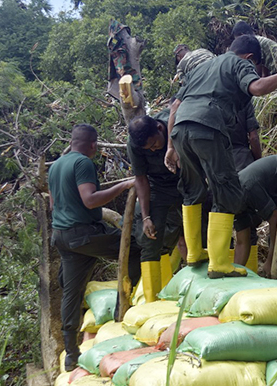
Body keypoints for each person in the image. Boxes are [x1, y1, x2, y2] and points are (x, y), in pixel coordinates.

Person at [164, 34, 277, 278]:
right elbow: (257, 88)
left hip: (180, 131)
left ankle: (195, 253)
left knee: (192, 190)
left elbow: (174, 108)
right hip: (208, 127)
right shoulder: (238, 63)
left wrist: (170, 146)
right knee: (226, 191)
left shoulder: (203, 67)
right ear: (250, 57)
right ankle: (219, 263)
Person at [48, 124, 140, 371]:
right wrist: (124, 185)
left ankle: (71, 354)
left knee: (72, 292)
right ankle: (127, 309)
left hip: (63, 237)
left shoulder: (56, 165)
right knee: (136, 250)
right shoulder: (83, 164)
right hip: (83, 235)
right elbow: (89, 200)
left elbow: (54, 205)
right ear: (93, 145)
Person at [127, 111, 186, 302]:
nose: (153, 150)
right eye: (148, 149)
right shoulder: (135, 145)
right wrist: (146, 217)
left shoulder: (178, 126)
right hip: (158, 188)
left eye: (155, 145)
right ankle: (151, 301)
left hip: (186, 182)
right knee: (150, 239)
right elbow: (141, 179)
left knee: (201, 231)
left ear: (160, 129)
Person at [228, 101, 263, 272]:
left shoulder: (211, 100)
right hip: (243, 161)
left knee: (225, 221)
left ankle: (224, 272)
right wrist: (259, 162)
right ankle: (250, 273)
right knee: (248, 222)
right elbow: (253, 137)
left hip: (218, 162)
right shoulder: (243, 103)